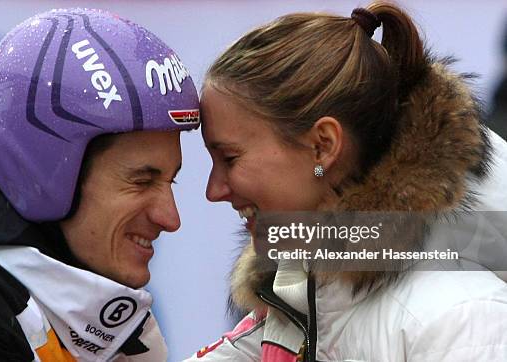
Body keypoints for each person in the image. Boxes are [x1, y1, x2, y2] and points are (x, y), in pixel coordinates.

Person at [188, 2, 507, 361]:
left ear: (323, 147)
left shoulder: (458, 319)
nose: (214, 190)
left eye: (230, 158)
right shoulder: (296, 292)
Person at [0, 8, 199, 361]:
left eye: (170, 181)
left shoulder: (56, 301)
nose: (170, 218)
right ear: (43, 172)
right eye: (141, 181)